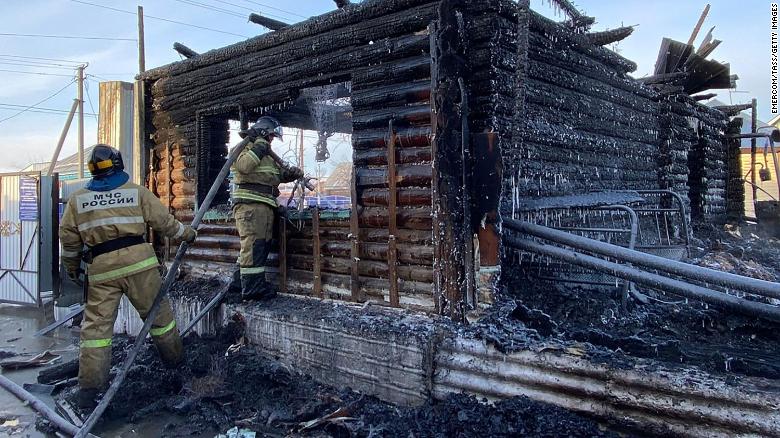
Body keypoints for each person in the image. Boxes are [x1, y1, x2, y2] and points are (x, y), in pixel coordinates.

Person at [59, 144, 197, 409]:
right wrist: (188, 234)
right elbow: (164, 222)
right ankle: (177, 367)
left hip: (102, 270)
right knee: (160, 319)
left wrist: (73, 269)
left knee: (96, 331)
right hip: (140, 266)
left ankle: (90, 391)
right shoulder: (136, 192)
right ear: (118, 164)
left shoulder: (77, 201)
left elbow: (69, 242)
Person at [231, 116, 303, 300]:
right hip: (250, 205)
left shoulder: (266, 155)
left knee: (258, 246)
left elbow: (273, 176)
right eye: (270, 136)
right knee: (254, 246)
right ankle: (253, 289)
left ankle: (239, 284)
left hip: (263, 205)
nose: (271, 140)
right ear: (263, 132)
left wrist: (290, 174)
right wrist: (260, 146)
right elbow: (245, 166)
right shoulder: (244, 148)